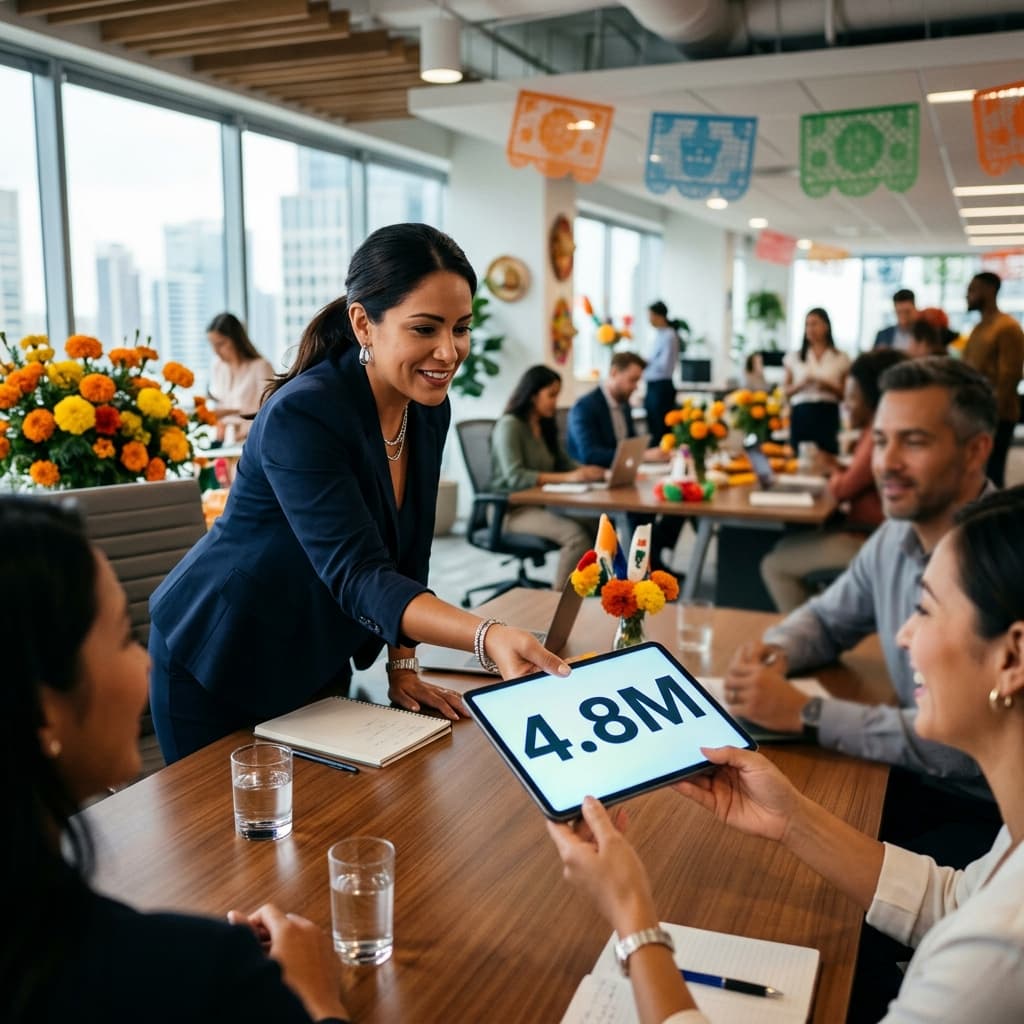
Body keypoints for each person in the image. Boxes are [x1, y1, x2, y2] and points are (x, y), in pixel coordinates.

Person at [547, 485, 1024, 1024]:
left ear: (1012, 656)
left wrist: (633, 918)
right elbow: (954, 902)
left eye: (926, 610)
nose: (906, 635)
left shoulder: (999, 954)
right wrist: (792, 818)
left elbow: (978, 928)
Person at [149, 225, 570, 764]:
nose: (448, 351)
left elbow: (409, 548)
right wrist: (487, 637)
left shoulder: (427, 408)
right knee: (225, 843)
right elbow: (359, 572)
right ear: (362, 323)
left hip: (315, 648)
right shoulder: (305, 413)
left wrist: (402, 664)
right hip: (221, 654)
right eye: (425, 328)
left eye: (460, 328)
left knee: (324, 828)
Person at [2, 497, 350, 1024]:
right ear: (42, 709)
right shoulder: (194, 976)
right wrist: (320, 1003)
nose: (146, 661)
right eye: (123, 636)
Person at [727, 357, 999, 862]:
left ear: (975, 451)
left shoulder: (1003, 564)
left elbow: (964, 745)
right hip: (909, 775)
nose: (884, 462)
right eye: (880, 439)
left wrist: (806, 713)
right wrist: (776, 652)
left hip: (988, 816)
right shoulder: (896, 537)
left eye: (913, 441)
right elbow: (828, 618)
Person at [760, 348, 906, 612]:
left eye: (851, 397)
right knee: (784, 545)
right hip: (870, 532)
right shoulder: (877, 434)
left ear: (871, 399)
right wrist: (834, 465)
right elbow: (859, 479)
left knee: (774, 564)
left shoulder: (876, 437)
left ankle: (804, 643)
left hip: (867, 538)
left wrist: (831, 469)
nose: (845, 404)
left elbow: (843, 489)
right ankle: (821, 613)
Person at [490, 364, 605, 590]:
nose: (555, 401)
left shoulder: (544, 426)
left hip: (540, 505)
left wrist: (588, 472)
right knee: (576, 537)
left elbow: (564, 463)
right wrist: (569, 478)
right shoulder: (510, 426)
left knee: (598, 524)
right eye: (551, 395)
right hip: (510, 510)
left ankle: (590, 592)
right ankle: (556, 604)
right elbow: (515, 477)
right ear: (532, 395)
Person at [567, 351, 678, 573]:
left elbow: (627, 447)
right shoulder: (585, 407)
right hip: (591, 484)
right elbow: (589, 454)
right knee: (641, 510)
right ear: (614, 372)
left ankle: (652, 561)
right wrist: (644, 456)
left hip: (620, 479)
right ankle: (645, 569)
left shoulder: (624, 405)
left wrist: (644, 454)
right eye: (632, 380)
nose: (636, 387)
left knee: (668, 497)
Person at [962, 271, 1024, 488]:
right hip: (976, 413)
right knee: (976, 474)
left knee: (992, 475)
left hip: (997, 415)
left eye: (972, 289)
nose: (967, 295)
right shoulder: (980, 327)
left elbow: (1011, 375)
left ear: (990, 291)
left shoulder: (1007, 327)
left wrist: (991, 415)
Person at [783, 307, 850, 455]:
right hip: (802, 413)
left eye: (814, 324)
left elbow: (846, 394)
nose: (810, 329)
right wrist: (802, 384)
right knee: (798, 456)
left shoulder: (840, 357)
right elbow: (785, 392)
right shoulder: (795, 357)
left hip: (827, 413)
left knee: (827, 454)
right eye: (807, 325)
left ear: (826, 326)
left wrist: (827, 385)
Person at [206, 312, 275, 444]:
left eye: (220, 344)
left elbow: (268, 411)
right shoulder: (218, 366)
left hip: (252, 440)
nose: (215, 351)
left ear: (236, 340)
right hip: (226, 442)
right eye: (212, 345)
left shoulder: (261, 366)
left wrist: (231, 413)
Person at [643, 301, 682, 440]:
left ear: (659, 316)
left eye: (651, 316)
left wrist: (645, 364)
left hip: (661, 386)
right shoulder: (658, 335)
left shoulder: (669, 336)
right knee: (653, 428)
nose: (649, 320)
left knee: (661, 430)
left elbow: (664, 365)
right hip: (653, 385)